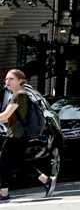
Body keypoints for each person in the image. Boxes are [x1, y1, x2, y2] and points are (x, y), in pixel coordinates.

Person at [0, 69, 55, 201]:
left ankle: (4, 194)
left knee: (3, 163)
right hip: (21, 134)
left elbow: (5, 115)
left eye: (11, 79)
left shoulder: (18, 95)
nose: (7, 81)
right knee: (19, 162)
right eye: (6, 79)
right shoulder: (20, 94)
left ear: (20, 81)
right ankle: (46, 180)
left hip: (16, 135)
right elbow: (9, 118)